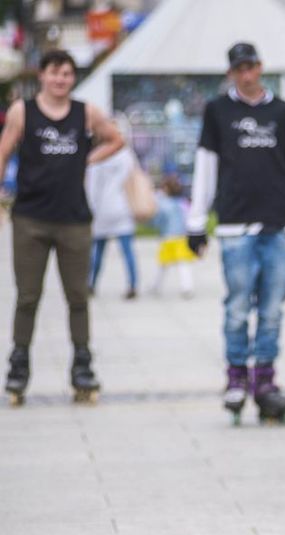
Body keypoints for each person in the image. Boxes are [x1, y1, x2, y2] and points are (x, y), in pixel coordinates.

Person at [0, 49, 123, 406]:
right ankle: (18, 367)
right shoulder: (24, 112)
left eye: (67, 74)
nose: (60, 79)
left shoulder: (86, 113)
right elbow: (4, 150)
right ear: (42, 76)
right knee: (27, 297)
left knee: (78, 298)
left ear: (73, 78)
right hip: (30, 219)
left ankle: (82, 367)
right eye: (54, 73)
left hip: (74, 220)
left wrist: (88, 157)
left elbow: (116, 139)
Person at [187, 42, 285, 424]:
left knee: (271, 308)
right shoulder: (218, 111)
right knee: (237, 307)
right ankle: (236, 377)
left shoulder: (283, 112)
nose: (246, 75)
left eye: (251, 67)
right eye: (239, 69)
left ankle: (265, 380)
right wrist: (196, 221)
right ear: (231, 72)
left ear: (260, 67)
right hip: (235, 225)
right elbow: (206, 164)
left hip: (277, 225)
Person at [86, 139, 139, 299]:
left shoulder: (97, 157)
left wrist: (90, 210)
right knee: (127, 251)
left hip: (102, 209)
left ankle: (91, 283)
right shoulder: (126, 155)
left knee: (97, 251)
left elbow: (92, 188)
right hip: (122, 207)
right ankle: (132, 284)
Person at [151, 174, 196, 298]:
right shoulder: (183, 203)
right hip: (182, 237)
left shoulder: (164, 204)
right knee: (183, 264)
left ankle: (156, 285)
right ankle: (187, 287)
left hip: (168, 237)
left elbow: (158, 220)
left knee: (163, 264)